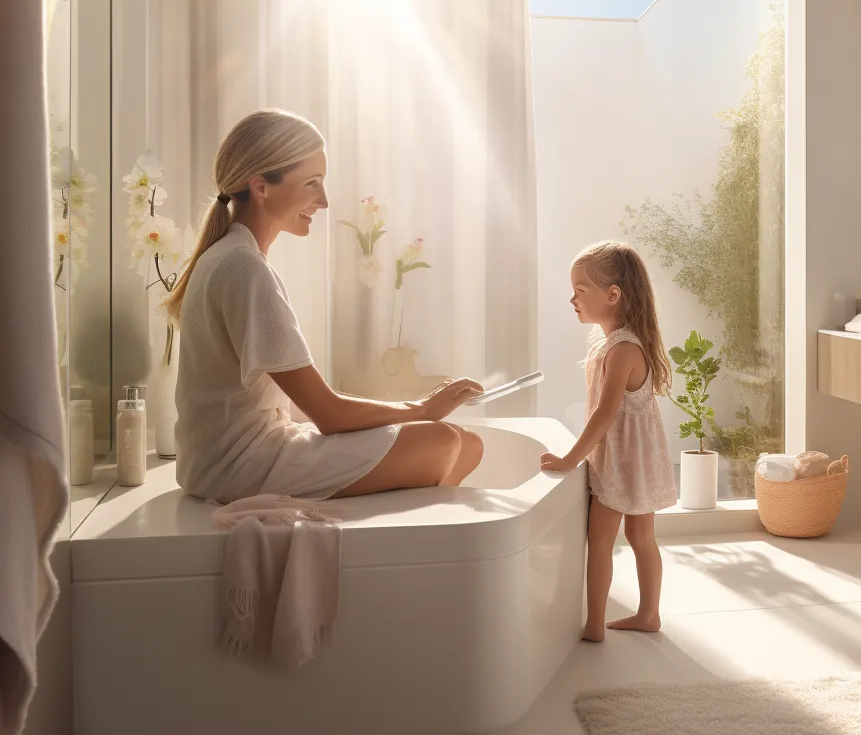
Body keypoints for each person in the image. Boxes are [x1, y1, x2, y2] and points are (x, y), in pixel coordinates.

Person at [165, 108, 483, 504]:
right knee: (441, 441)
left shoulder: (232, 256)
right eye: (312, 183)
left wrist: (418, 410)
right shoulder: (243, 268)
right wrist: (421, 408)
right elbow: (327, 414)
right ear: (261, 186)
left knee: (467, 444)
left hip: (227, 459)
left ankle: (414, 548)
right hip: (236, 467)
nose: (325, 200)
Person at [541, 241, 677, 641]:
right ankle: (642, 614)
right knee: (639, 538)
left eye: (580, 291)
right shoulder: (610, 343)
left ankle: (597, 624)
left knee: (601, 542)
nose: (572, 299)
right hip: (638, 459)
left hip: (623, 463)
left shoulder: (623, 349)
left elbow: (605, 414)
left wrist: (570, 459)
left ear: (612, 294)